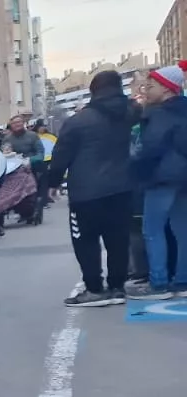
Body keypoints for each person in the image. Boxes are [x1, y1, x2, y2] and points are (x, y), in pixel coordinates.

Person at [47, 70, 139, 307]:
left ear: (93, 90)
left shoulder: (78, 121)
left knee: (85, 241)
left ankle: (95, 289)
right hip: (121, 188)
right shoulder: (130, 113)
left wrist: (52, 183)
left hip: (86, 193)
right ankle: (117, 287)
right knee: (118, 239)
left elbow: (61, 155)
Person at [128, 62, 187, 299]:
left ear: (166, 89)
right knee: (182, 231)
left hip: (161, 177)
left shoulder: (159, 114)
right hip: (183, 178)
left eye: (150, 85)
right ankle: (183, 281)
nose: (145, 90)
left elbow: (150, 148)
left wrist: (137, 170)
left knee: (152, 230)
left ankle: (158, 283)